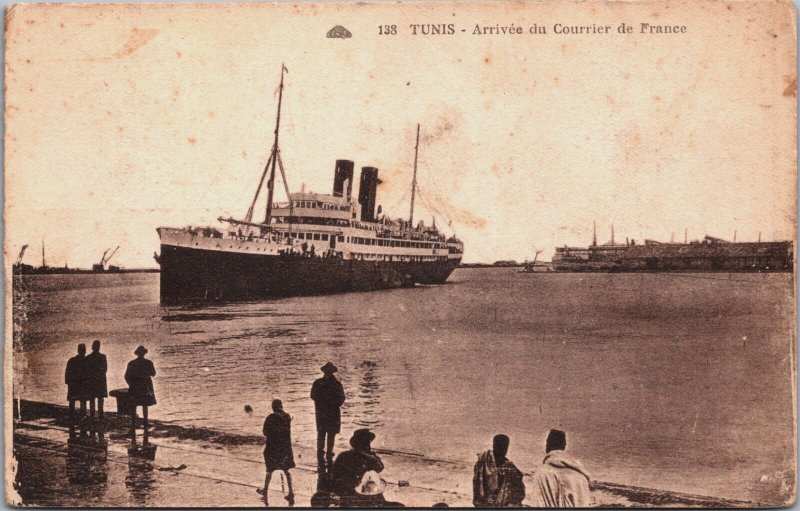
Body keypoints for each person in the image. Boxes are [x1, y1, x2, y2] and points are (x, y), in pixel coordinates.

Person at [529, 429, 591, 507]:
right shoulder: (581, 475)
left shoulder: (542, 473)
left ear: (548, 445)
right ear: (564, 446)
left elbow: (538, 504)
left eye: (547, 443)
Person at [330, 429, 385, 507]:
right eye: (365, 443)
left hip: (365, 491)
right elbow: (336, 481)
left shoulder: (370, 456)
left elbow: (380, 468)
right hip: (349, 493)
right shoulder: (345, 456)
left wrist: (369, 457)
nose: (368, 446)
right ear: (358, 445)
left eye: (368, 443)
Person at [258, 399, 295, 505]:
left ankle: (265, 489)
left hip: (272, 448)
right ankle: (291, 492)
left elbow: (265, 432)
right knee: (286, 470)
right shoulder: (287, 417)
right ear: (281, 406)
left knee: (269, 469)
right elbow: (290, 419)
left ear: (273, 407)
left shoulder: (270, 418)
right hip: (285, 448)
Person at [473, 434, 526, 507]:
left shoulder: (484, 461)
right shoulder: (510, 468)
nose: (502, 449)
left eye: (503, 446)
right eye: (500, 446)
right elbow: (520, 493)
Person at [311, 362, 346, 464]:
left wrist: (322, 402)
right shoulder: (337, 384)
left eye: (328, 372)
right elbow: (341, 398)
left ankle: (321, 453)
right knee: (330, 434)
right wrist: (332, 403)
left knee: (322, 433)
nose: (327, 373)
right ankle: (328, 453)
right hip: (332, 414)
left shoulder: (317, 383)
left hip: (321, 413)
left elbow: (313, 396)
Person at [125, 346, 157, 441]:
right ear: (144, 354)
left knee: (134, 405)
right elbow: (153, 374)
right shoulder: (148, 363)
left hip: (135, 385)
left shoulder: (131, 363)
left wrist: (131, 384)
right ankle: (145, 421)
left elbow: (126, 376)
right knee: (145, 404)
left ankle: (133, 422)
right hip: (145, 385)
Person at [65, 344, 89, 438]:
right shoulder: (86, 361)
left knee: (72, 401)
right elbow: (88, 373)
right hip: (81, 385)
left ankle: (72, 416)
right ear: (84, 351)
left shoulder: (72, 360)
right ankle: (83, 417)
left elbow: (67, 373)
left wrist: (68, 382)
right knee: (82, 402)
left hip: (74, 384)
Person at [85, 340, 108, 420]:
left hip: (92, 380)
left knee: (93, 398)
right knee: (99, 398)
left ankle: (93, 414)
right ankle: (100, 414)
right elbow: (104, 369)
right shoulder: (102, 357)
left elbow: (87, 370)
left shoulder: (88, 357)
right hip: (100, 380)